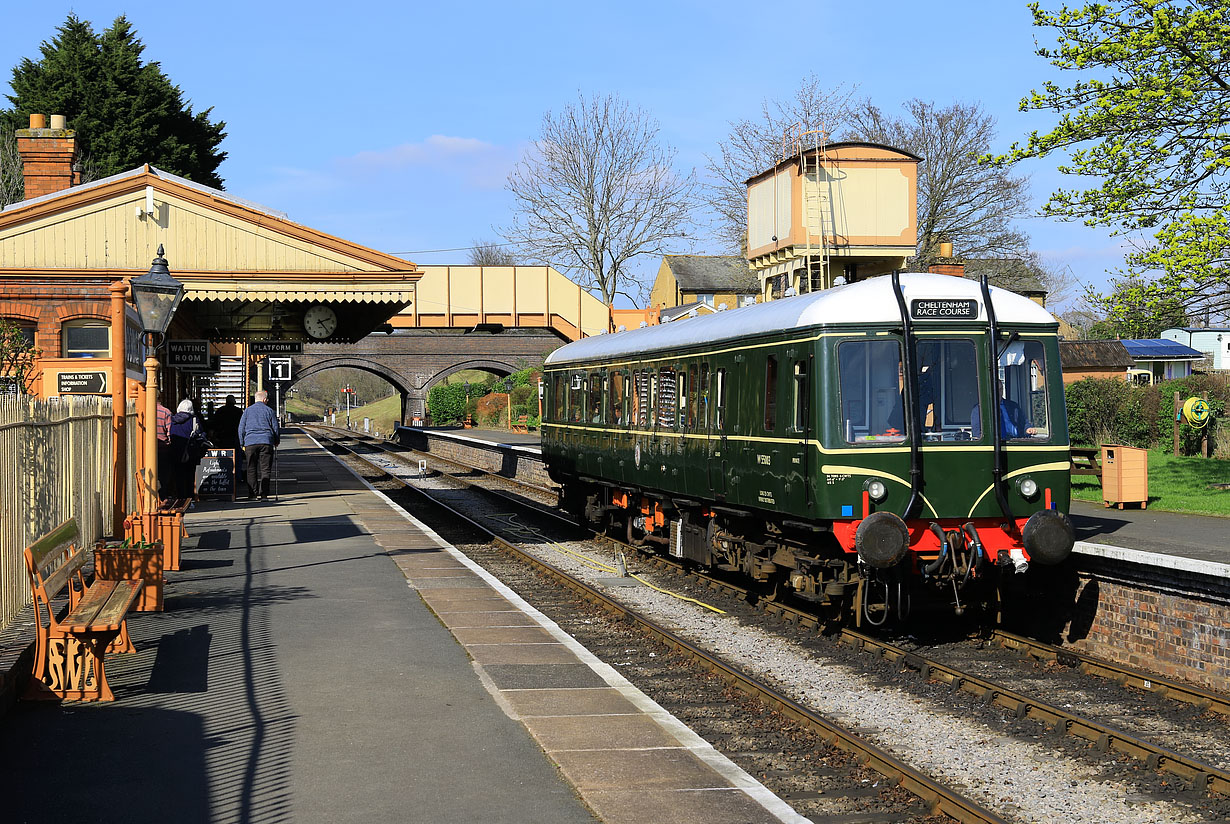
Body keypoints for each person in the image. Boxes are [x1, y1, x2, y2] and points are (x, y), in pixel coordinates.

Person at [238, 390, 280, 500]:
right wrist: (276, 440)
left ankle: (252, 494)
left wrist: (242, 442)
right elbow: (275, 428)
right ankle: (264, 494)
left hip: (250, 442)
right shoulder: (270, 411)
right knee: (265, 469)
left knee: (251, 468)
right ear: (264, 399)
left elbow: (241, 428)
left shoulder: (247, 411)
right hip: (266, 441)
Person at [168, 399, 202, 499]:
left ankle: (180, 497)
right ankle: (189, 498)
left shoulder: (172, 420)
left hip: (176, 451)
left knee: (178, 475)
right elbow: (200, 433)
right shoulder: (194, 420)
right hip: (190, 452)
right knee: (190, 476)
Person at [971, 397, 1037, 439]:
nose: (999, 392)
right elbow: (977, 432)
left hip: (1016, 442)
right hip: (997, 444)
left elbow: (1024, 422)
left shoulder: (1013, 405)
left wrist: (1028, 429)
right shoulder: (979, 409)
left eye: (1000, 389)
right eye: (996, 389)